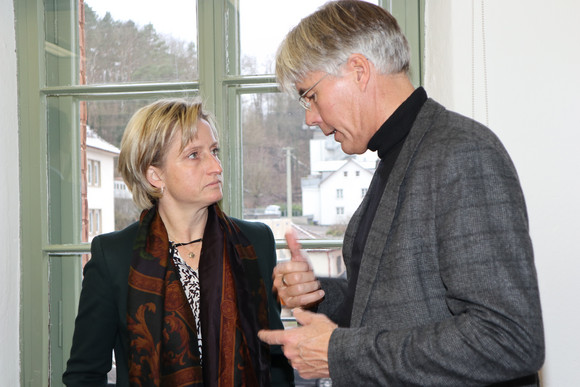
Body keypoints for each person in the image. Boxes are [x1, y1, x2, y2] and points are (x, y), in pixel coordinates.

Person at [257, 1, 544, 386]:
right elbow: (397, 303)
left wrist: (339, 354)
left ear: (358, 71)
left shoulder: (461, 152)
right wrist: (320, 293)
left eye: (310, 95)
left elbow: (509, 339)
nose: (310, 117)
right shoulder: (398, 154)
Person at [63, 98, 294, 386]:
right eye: (194, 155)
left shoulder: (255, 242)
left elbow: (274, 358)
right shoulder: (113, 256)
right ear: (155, 175)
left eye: (214, 151)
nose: (216, 166)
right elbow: (84, 374)